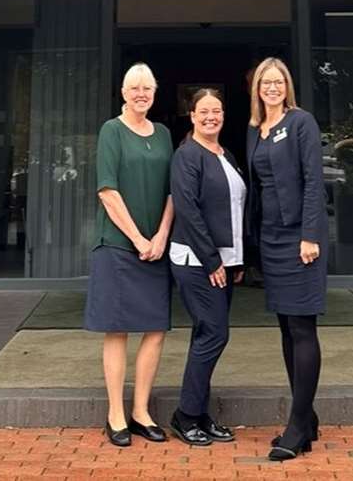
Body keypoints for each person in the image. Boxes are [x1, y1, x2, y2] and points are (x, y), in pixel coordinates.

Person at [83, 63, 174, 448]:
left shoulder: (165, 133)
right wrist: (139, 238)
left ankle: (141, 412)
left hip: (157, 246)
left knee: (155, 329)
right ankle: (115, 414)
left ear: (154, 93)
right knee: (117, 329)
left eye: (147, 88)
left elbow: (174, 190)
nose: (141, 94)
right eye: (134, 88)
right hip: (120, 247)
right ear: (123, 92)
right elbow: (107, 191)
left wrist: (162, 235)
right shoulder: (112, 131)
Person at [246, 57, 328, 462]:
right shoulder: (255, 129)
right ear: (257, 88)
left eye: (278, 82)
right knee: (284, 327)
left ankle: (296, 427)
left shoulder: (301, 123)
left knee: (302, 326)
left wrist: (310, 234)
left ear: (287, 86)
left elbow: (314, 180)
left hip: (300, 238)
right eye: (266, 82)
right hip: (271, 238)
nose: (272, 88)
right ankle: (307, 417)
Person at [168, 88, 247, 447]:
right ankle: (185, 415)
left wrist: (237, 260)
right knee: (215, 334)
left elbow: (232, 209)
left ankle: (198, 413)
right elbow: (188, 210)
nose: (211, 116)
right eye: (204, 111)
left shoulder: (225, 154)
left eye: (217, 110)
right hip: (197, 262)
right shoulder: (187, 155)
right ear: (193, 115)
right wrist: (213, 259)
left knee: (207, 335)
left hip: (224, 263)